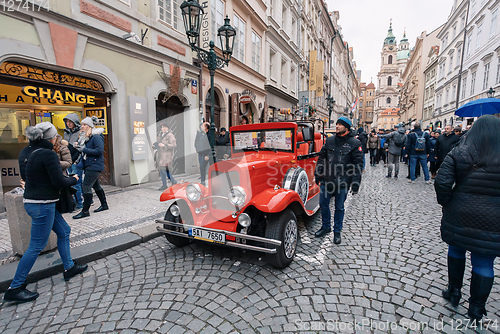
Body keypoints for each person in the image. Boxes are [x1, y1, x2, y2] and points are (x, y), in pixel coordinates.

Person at [3, 122, 87, 303]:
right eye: (56, 136)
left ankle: (69, 267)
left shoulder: (25, 152)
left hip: (35, 202)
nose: (57, 139)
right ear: (51, 137)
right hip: (43, 204)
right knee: (35, 246)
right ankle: (14, 287)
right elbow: (58, 182)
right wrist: (73, 179)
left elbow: (25, 177)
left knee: (64, 231)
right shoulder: (48, 154)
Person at [434, 115, 500, 321]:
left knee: (456, 249)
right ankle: (477, 309)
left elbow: (442, 183)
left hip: (460, 212)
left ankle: (453, 291)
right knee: (483, 262)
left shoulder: (460, 151)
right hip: (494, 218)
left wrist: (448, 203)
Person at [314, 117, 363, 244]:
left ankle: (337, 232)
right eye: (336, 124)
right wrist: (318, 173)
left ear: (346, 128)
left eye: (340, 125)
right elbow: (322, 158)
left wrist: (355, 183)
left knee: (339, 208)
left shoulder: (354, 143)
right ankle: (325, 227)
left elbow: (358, 165)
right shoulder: (330, 140)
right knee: (323, 205)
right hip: (327, 179)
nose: (337, 126)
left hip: (343, 182)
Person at [72, 116, 108, 219]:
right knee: (96, 186)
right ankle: (104, 205)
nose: (82, 126)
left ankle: (85, 211)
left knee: (86, 186)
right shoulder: (86, 137)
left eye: (84, 125)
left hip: (94, 165)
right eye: (82, 124)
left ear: (89, 126)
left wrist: (84, 149)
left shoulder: (96, 136)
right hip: (89, 165)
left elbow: (99, 151)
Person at [63, 113, 83, 209]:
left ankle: (79, 204)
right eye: (67, 121)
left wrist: (77, 161)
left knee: (77, 183)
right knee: (74, 181)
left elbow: (81, 148)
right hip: (68, 161)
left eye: (70, 121)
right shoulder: (65, 133)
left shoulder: (80, 132)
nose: (68, 123)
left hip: (76, 161)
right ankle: (87, 199)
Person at [154, 122, 177, 190]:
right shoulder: (160, 135)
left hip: (167, 155)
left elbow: (174, 145)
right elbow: (158, 143)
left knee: (164, 169)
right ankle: (164, 185)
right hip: (160, 155)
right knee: (161, 170)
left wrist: (165, 145)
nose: (163, 128)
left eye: (164, 127)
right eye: (162, 127)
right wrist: (154, 146)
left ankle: (173, 181)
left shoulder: (170, 135)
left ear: (168, 128)